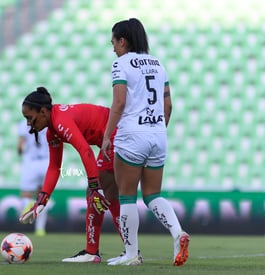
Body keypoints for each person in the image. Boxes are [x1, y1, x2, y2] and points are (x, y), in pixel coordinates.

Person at [101, 18, 190, 266]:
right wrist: (158, 129)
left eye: (114, 42)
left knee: (127, 196)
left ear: (123, 40)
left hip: (132, 135)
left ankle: (131, 255)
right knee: (153, 195)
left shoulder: (121, 64)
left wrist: (107, 135)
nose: (113, 48)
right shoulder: (158, 64)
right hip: (158, 134)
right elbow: (168, 104)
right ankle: (178, 233)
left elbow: (118, 103)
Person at [19, 87, 123, 263]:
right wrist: (41, 201)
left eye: (29, 117)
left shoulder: (60, 121)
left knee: (95, 195)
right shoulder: (52, 130)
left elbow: (85, 150)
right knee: (109, 198)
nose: (28, 123)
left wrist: (94, 186)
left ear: (43, 112)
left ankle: (93, 253)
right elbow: (54, 168)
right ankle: (129, 250)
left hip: (117, 135)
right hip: (113, 137)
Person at [17, 120, 50, 236]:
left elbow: (20, 146)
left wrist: (20, 152)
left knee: (26, 193)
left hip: (31, 162)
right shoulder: (47, 122)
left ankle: (29, 203)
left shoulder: (23, 124)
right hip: (46, 162)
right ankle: (40, 229)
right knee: (42, 196)